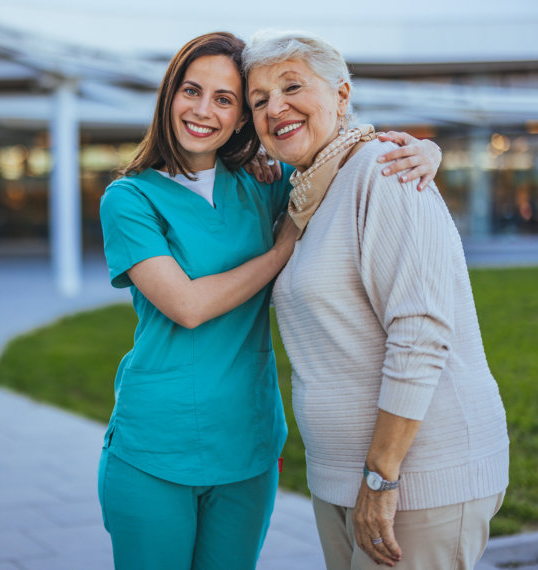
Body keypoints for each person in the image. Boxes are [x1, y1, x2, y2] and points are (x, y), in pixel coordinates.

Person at [97, 31, 441, 570]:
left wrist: (423, 150)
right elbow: (187, 306)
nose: (203, 110)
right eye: (191, 90)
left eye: (226, 99)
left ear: (241, 120)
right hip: (153, 445)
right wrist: (284, 245)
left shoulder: (267, 181)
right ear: (169, 96)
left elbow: (342, 153)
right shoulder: (129, 198)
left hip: (248, 443)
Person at [243, 30, 509, 570]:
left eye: (292, 85)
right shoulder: (304, 194)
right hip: (340, 478)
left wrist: (380, 477)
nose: (275, 108)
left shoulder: (383, 171)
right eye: (259, 100)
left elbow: (421, 334)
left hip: (417, 479)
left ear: (342, 95)